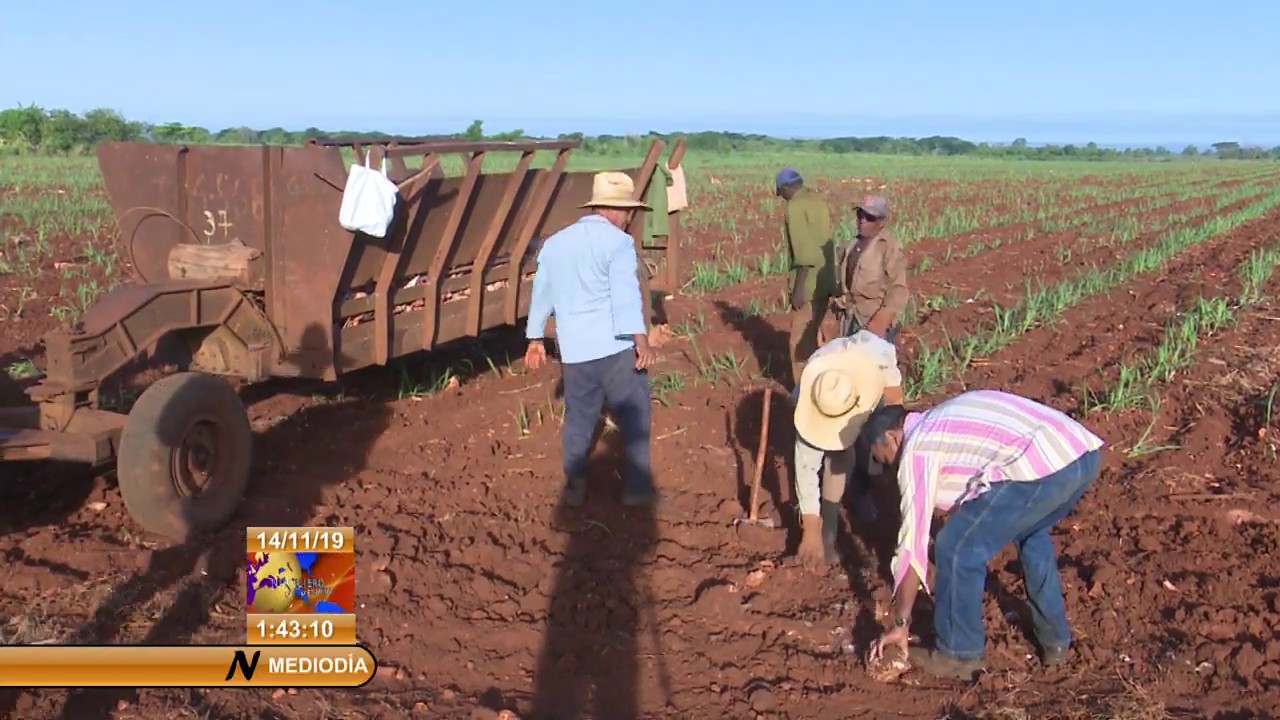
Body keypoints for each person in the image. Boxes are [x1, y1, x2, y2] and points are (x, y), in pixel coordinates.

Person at [864, 390, 1105, 679]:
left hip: (1042, 466)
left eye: (886, 459)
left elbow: (913, 544)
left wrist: (901, 622)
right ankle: (1055, 642)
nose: (891, 468)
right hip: (1081, 455)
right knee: (1031, 533)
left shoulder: (917, 447)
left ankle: (958, 655)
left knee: (955, 548)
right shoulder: (942, 419)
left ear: (892, 436)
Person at [524, 171, 661, 508]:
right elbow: (625, 294)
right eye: (630, 213)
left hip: (574, 351)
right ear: (620, 210)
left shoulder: (555, 244)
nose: (630, 220)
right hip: (615, 348)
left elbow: (542, 293)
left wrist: (535, 337)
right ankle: (637, 490)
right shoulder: (619, 243)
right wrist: (641, 339)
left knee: (579, 418)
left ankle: (574, 486)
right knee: (634, 416)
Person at [790, 330, 905, 571]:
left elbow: (894, 407)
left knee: (869, 452)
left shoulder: (879, 360)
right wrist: (812, 528)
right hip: (837, 399)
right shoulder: (814, 387)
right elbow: (805, 466)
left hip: (871, 402)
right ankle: (829, 532)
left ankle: (865, 491)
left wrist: (878, 470)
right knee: (841, 454)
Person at [776, 168, 837, 387]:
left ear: (785, 188)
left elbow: (803, 254)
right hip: (826, 277)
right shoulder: (817, 199)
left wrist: (798, 289)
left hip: (809, 281)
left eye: (781, 192)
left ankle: (803, 391)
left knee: (800, 343)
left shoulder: (795, 206)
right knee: (816, 331)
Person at [833, 195, 908, 343]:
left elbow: (899, 288)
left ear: (881, 222)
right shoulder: (851, 246)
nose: (863, 220)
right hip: (849, 318)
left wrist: (882, 319)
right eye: (860, 215)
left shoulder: (888, 247)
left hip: (873, 321)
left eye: (870, 217)